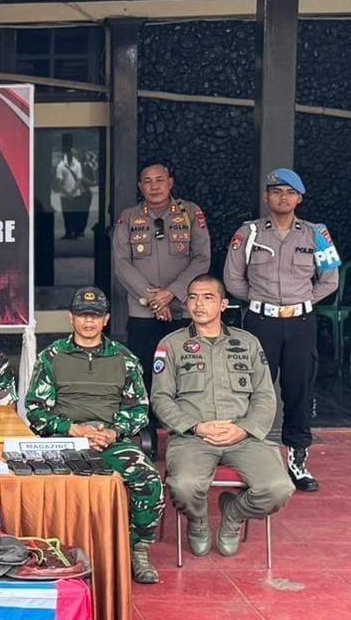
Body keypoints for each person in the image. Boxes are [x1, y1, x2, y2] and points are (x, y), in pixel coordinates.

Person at [25, 286, 162, 584]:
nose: (89, 321)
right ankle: (51, 549)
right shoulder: (52, 356)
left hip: (110, 441)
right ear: (71, 318)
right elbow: (35, 410)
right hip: (64, 441)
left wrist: (114, 432)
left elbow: (139, 409)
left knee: (148, 478)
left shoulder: (124, 358)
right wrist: (71, 429)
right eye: (83, 315)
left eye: (96, 316)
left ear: (106, 319)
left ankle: (137, 549)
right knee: (40, 485)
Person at [151, 275, 294, 558]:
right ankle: (198, 521)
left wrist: (245, 429)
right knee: (184, 487)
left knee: (278, 489)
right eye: (193, 297)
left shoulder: (247, 342)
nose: (199, 304)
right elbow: (160, 398)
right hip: (193, 438)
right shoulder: (172, 344)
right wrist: (196, 427)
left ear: (223, 305)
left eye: (208, 298)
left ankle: (233, 514)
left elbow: (265, 395)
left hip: (243, 437)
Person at [223, 168, 339, 492]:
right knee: (252, 390)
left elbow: (330, 279)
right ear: (266, 197)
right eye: (276, 191)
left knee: (298, 390)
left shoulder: (317, 233)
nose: (283, 198)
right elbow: (233, 279)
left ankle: (297, 462)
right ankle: (249, 458)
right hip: (261, 322)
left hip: (301, 323)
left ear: (299, 198)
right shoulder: (248, 233)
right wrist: (261, 302)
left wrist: (302, 301)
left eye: (290, 193)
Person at [113, 162, 211, 453]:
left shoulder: (190, 213)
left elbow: (202, 259)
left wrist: (172, 294)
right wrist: (153, 299)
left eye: (159, 180)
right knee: (144, 373)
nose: (154, 186)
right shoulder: (128, 218)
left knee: (187, 374)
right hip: (142, 312)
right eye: (147, 181)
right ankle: (148, 435)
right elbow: (121, 264)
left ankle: (185, 436)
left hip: (183, 310)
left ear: (170, 182)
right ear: (140, 186)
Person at [55, 147, 89, 239]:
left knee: (75, 214)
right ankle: (69, 232)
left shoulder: (77, 164)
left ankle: (75, 231)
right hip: (65, 195)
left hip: (75, 194)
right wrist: (67, 193)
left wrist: (72, 191)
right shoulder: (61, 165)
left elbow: (79, 180)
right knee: (66, 214)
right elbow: (59, 182)